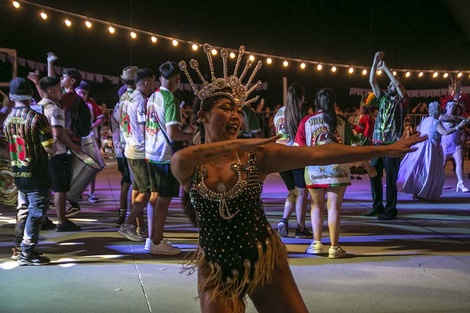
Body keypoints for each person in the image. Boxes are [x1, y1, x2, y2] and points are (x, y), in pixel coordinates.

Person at [173, 45, 425, 312]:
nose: (235, 116)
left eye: (238, 109)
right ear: (202, 115)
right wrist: (240, 145)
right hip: (215, 265)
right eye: (226, 108)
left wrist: (384, 148)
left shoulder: (258, 156)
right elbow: (180, 159)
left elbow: (320, 152)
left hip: (263, 258)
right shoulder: (190, 165)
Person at [295, 88, 376, 259]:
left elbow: (298, 149)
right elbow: (354, 147)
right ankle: (334, 247)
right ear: (333, 103)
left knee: (316, 206)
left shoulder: (306, 121)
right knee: (334, 209)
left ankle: (316, 244)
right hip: (338, 170)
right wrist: (368, 167)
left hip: (314, 170)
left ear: (317, 103)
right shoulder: (342, 122)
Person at [3, 77, 57, 265]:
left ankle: (18, 247)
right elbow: (50, 147)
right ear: (31, 94)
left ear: (11, 96)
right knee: (37, 212)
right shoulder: (36, 117)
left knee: (23, 210)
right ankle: (27, 251)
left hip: (18, 172)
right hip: (37, 172)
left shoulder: (8, 119)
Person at [144, 61, 194, 255]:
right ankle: (157, 242)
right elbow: (173, 133)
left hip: (150, 153)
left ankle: (152, 237)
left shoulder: (153, 96)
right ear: (177, 79)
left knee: (154, 198)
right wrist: (190, 136)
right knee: (163, 201)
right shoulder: (170, 99)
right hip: (165, 155)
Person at [363, 51, 410, 220]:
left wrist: (387, 69)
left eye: (391, 85)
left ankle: (390, 210)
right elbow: (372, 81)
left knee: (390, 178)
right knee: (373, 171)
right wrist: (374, 62)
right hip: (378, 143)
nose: (389, 86)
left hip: (392, 144)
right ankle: (377, 206)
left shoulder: (402, 102)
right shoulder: (383, 98)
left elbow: (397, 84)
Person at [38, 76, 82, 232]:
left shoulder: (38, 106)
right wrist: (72, 145)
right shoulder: (55, 109)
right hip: (57, 153)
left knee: (44, 189)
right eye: (58, 88)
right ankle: (62, 222)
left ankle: (42, 219)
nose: (61, 91)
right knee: (60, 189)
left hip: (42, 153)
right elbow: (56, 132)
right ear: (50, 90)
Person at [397, 101, 467, 200]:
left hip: (421, 144)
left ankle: (416, 192)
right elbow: (444, 132)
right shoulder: (435, 121)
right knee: (429, 170)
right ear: (438, 111)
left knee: (419, 168)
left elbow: (419, 129)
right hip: (430, 146)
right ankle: (423, 193)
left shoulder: (425, 120)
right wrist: (457, 128)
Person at [118, 68, 156, 241]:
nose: (153, 87)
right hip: (140, 150)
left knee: (138, 188)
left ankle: (140, 227)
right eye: (152, 83)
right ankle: (128, 224)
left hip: (129, 148)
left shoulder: (124, 97)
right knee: (146, 190)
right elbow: (143, 128)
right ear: (146, 82)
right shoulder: (140, 100)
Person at [273, 83, 311, 239]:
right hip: (296, 156)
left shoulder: (278, 113)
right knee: (301, 193)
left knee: (292, 192)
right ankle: (301, 228)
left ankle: (284, 220)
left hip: (280, 156)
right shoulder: (301, 113)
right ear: (301, 98)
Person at [60, 68, 92, 217]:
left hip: (69, 140)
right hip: (73, 138)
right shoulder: (72, 96)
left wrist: (36, 83)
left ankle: (69, 205)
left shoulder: (69, 96)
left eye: (63, 77)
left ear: (72, 81)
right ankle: (70, 204)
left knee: (65, 175)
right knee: (68, 174)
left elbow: (49, 100)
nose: (61, 79)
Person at [113, 67, 137, 224]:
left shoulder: (121, 100)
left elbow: (115, 120)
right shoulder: (137, 98)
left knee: (125, 181)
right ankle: (134, 218)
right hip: (133, 147)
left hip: (121, 145)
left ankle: (122, 214)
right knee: (136, 184)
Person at [76, 80, 105, 203]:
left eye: (85, 93)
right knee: (77, 167)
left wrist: (92, 126)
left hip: (90, 139)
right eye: (80, 93)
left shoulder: (91, 103)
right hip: (75, 139)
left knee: (93, 165)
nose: (83, 96)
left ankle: (91, 193)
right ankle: (77, 192)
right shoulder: (71, 103)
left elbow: (101, 118)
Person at [440, 98, 470, 192]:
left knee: (460, 162)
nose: (452, 108)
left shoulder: (458, 117)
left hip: (456, 144)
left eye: (453, 106)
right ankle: (438, 182)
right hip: (445, 144)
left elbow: (467, 122)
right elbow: (442, 118)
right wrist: (458, 119)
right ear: (446, 107)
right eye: (450, 106)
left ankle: (460, 183)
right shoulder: (442, 116)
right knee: (442, 164)